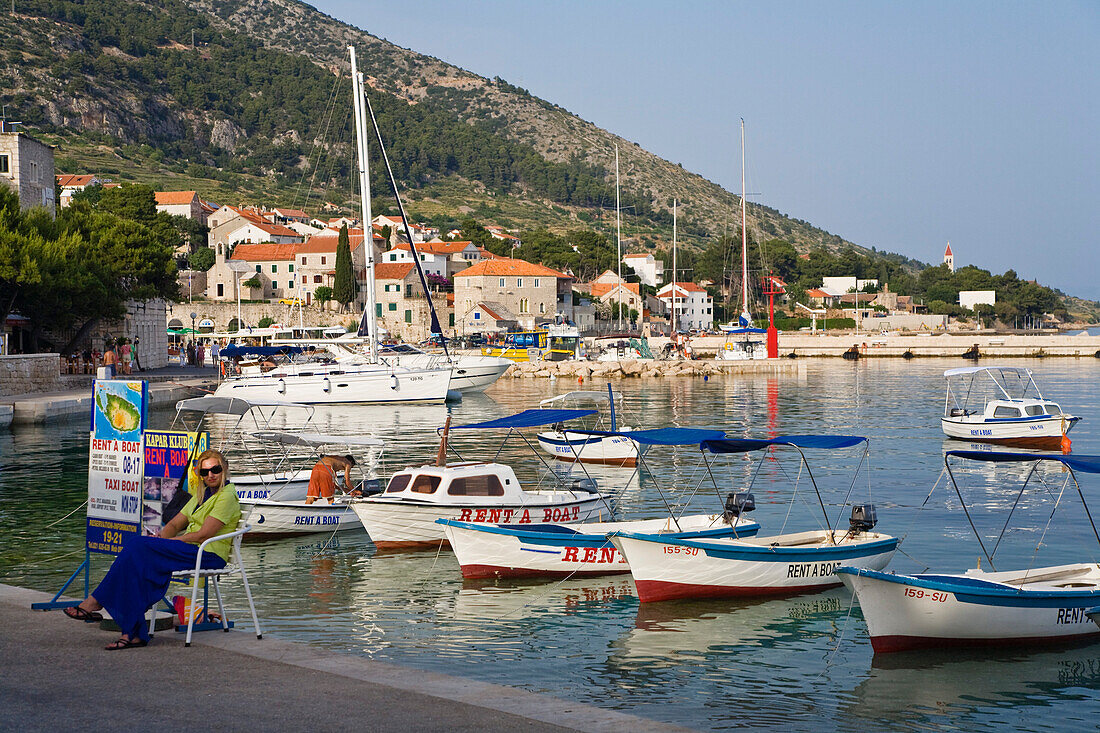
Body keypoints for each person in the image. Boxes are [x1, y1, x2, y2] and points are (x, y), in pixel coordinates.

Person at [63, 450, 241, 650]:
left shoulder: (226, 497)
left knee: (137, 546)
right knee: (137, 561)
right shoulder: (202, 495)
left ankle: (97, 603)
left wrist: (172, 542)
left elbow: (204, 534)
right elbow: (174, 524)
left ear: (224, 468)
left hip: (208, 555)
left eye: (215, 469)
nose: (210, 475)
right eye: (205, 472)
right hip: (189, 549)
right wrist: (162, 539)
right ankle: (131, 633)